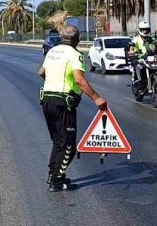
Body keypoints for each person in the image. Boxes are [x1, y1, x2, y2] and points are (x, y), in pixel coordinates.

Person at [38, 25, 107, 192]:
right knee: (68, 144)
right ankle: (56, 180)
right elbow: (79, 80)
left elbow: (41, 72)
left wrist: (53, 82)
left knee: (58, 141)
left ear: (62, 37)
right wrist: (97, 98)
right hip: (63, 102)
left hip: (46, 99)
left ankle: (54, 174)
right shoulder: (75, 54)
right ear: (77, 40)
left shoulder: (52, 52)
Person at [126, 20, 157, 86]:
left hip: (150, 57)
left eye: (147, 30)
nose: (145, 31)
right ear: (140, 30)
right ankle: (138, 81)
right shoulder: (136, 39)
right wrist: (132, 51)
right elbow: (132, 47)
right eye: (143, 30)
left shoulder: (152, 39)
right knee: (138, 66)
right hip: (139, 57)